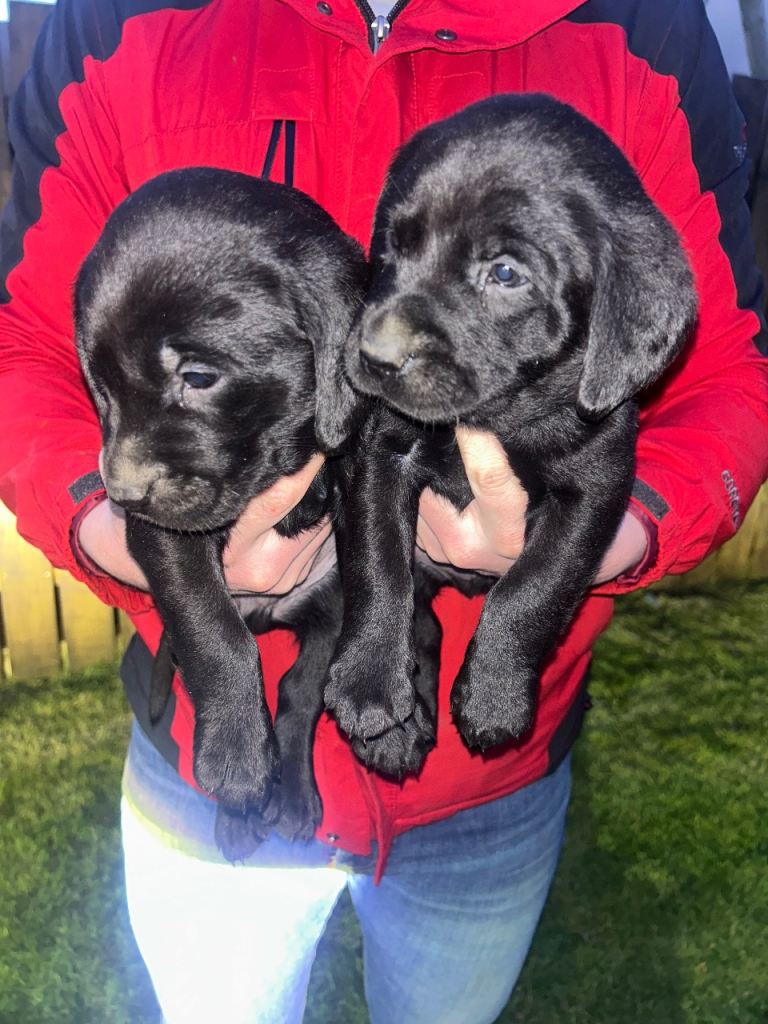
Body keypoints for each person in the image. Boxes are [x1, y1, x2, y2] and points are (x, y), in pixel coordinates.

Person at [0, 1, 766, 1021]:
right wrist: (119, 533)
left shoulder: (642, 28)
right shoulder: (113, 16)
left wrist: (592, 547)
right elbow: (23, 346)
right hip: (202, 742)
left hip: (489, 782)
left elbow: (730, 372)